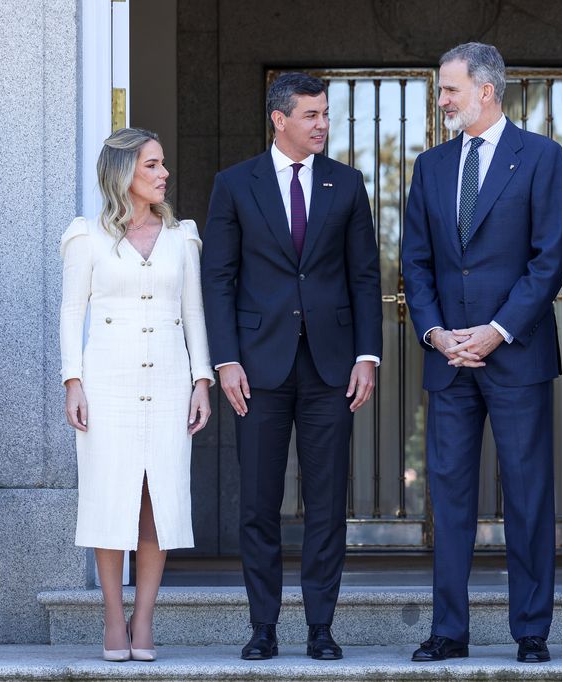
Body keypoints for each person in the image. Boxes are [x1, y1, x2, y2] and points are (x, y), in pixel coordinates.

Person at [201, 72, 383, 661]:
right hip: (257, 368)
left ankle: (321, 627)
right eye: (311, 114)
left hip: (332, 368)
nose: (323, 124)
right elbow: (219, 279)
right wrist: (225, 360)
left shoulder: (348, 184)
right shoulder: (234, 185)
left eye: (325, 114)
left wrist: (367, 355)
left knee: (328, 503)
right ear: (279, 119)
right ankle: (263, 627)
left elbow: (364, 277)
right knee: (257, 503)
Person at [401, 42, 562, 664]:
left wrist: (497, 330)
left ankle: (531, 631)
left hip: (516, 354)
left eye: (450, 89)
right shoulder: (431, 165)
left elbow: (551, 259)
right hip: (450, 360)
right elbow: (415, 263)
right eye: (442, 90)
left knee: (527, 495)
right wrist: (436, 333)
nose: (442, 100)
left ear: (486, 92)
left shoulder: (542, 157)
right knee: (447, 498)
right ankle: (449, 630)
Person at [60, 127, 214, 662]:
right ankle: (111, 618)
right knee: (110, 497)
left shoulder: (182, 236)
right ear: (124, 173)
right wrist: (72, 381)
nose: (163, 174)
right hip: (108, 384)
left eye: (163, 164)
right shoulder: (86, 237)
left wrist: (202, 381)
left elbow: (193, 311)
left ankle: (144, 619)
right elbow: (69, 312)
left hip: (170, 381)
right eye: (152, 165)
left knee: (159, 501)